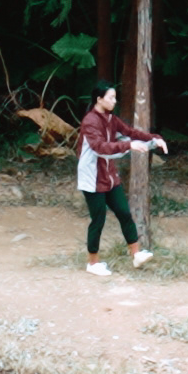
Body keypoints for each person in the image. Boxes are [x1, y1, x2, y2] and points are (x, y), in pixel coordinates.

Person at [74, 86, 168, 274]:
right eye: (111, 97)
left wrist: (155, 139)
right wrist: (129, 145)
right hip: (92, 178)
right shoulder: (90, 121)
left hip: (109, 176)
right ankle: (93, 263)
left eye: (115, 97)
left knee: (124, 213)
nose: (114, 101)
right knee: (98, 220)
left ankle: (136, 254)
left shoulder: (111, 119)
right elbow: (100, 148)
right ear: (99, 99)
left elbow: (131, 132)